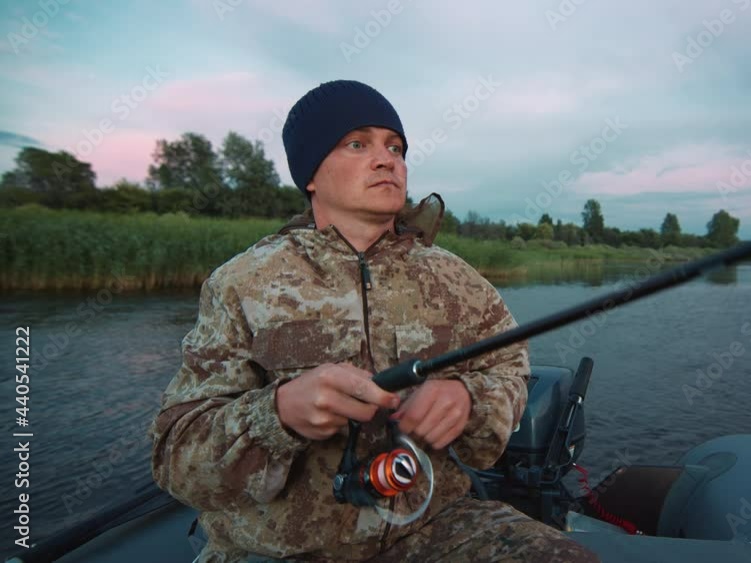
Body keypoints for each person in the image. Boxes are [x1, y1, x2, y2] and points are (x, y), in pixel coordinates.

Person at [149, 79, 599, 562]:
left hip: (434, 526)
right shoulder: (241, 283)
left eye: (396, 147)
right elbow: (176, 456)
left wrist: (470, 399)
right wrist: (277, 414)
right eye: (357, 144)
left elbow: (509, 371)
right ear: (310, 175)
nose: (387, 160)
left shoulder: (459, 280)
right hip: (279, 548)